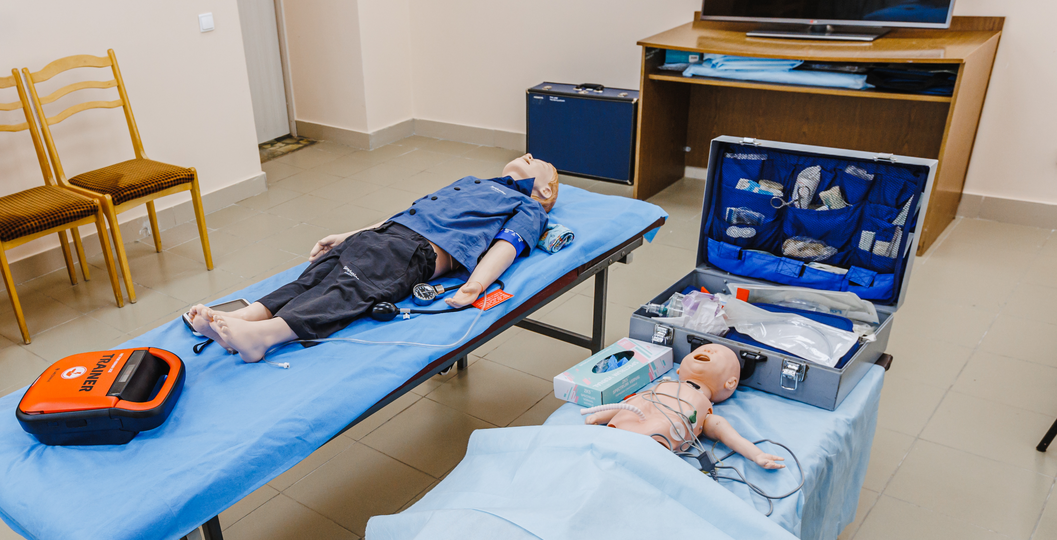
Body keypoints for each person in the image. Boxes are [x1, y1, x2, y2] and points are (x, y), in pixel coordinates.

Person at [187, 154, 560, 362]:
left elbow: (505, 247)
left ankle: (264, 337)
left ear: (545, 191)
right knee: (313, 278)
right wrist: (349, 235)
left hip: (415, 251)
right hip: (384, 235)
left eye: (539, 162)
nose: (529, 155)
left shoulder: (528, 207)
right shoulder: (472, 181)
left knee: (346, 289)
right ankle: (246, 317)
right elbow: (404, 214)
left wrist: (475, 285)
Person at [584, 344, 786, 469]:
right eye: (700, 350)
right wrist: (601, 416)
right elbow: (633, 403)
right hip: (616, 433)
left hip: (649, 448)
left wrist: (756, 454)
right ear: (680, 369)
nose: (708, 350)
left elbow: (730, 437)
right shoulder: (660, 387)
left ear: (730, 383)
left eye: (717, 354)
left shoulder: (705, 413)